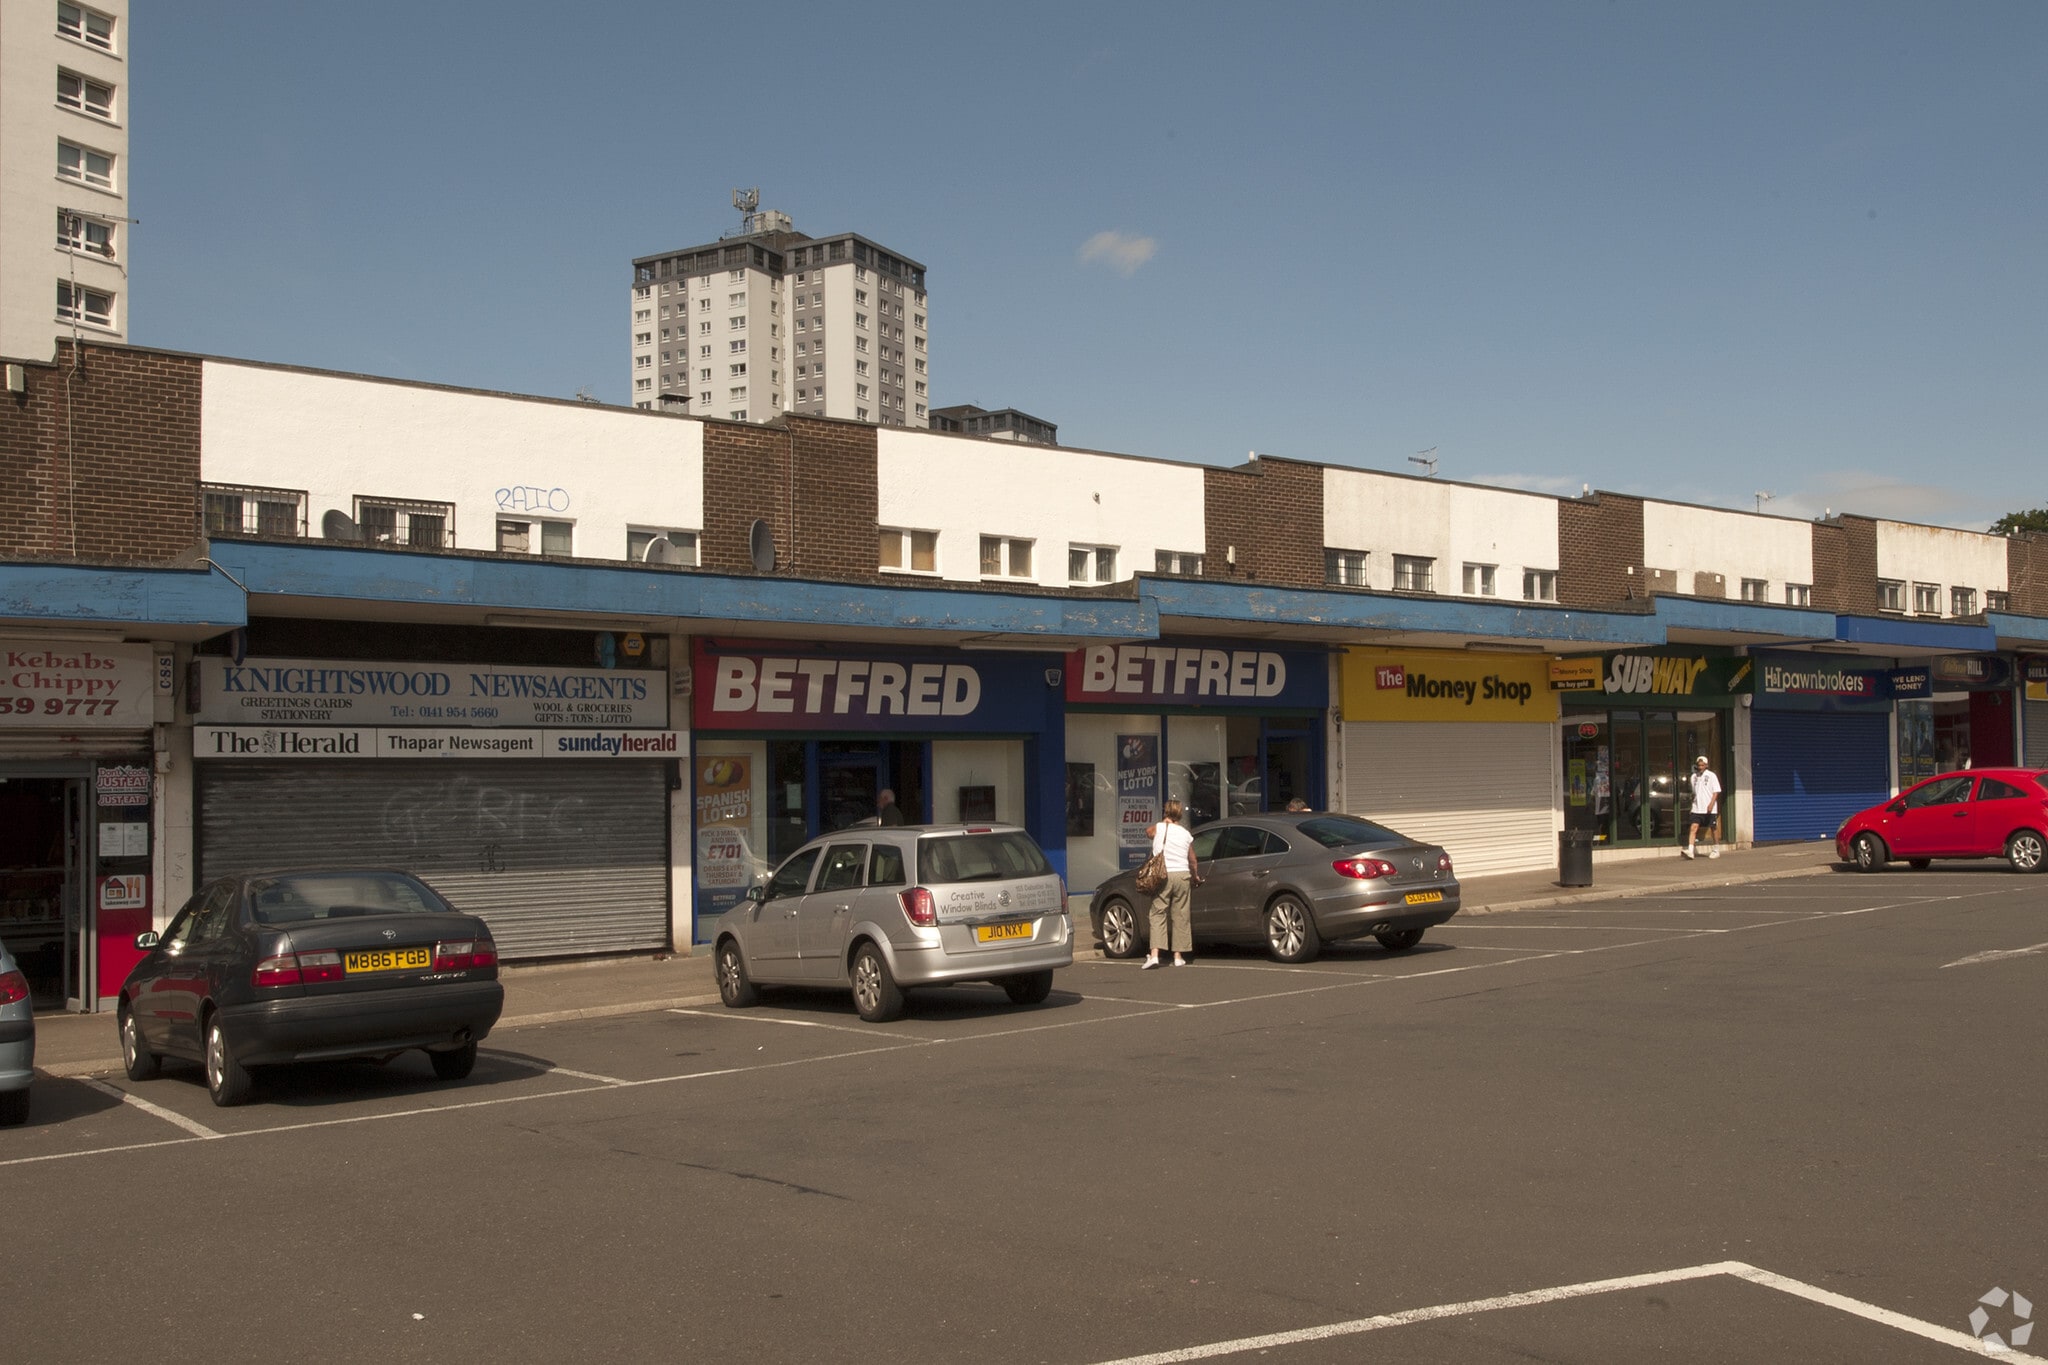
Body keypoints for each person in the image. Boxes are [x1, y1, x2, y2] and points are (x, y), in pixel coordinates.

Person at [1142, 799, 1201, 969]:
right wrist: (1195, 876)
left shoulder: (1159, 827)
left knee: (1157, 912)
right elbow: (1193, 860)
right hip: (1182, 875)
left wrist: (1163, 823)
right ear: (1180, 814)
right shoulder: (1185, 833)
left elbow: (1148, 832)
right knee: (1181, 915)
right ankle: (1178, 956)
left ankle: (1155, 955)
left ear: (1165, 812)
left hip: (1163, 875)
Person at [1682, 756, 1721, 859]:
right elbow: (1695, 792)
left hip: (1709, 807)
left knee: (1713, 828)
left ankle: (1716, 849)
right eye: (1699, 765)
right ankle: (1690, 850)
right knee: (1693, 827)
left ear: (1706, 765)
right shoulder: (1693, 777)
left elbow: (1716, 791)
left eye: (1702, 765)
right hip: (1697, 807)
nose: (1700, 767)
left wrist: (1711, 804)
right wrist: (1693, 805)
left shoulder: (1711, 776)